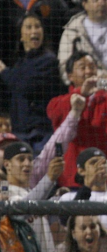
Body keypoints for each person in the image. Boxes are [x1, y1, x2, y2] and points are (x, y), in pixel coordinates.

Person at [47, 51, 107, 188]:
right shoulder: (60, 101)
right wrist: (81, 93)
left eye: (92, 67)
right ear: (70, 76)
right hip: (73, 181)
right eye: (82, 67)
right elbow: (55, 114)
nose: (89, 71)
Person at [0, 14, 65, 152]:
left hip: (41, 132)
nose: (34, 31)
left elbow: (24, 86)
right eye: (29, 27)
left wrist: (5, 72)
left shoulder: (49, 60)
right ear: (21, 36)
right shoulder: (19, 62)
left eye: (37, 26)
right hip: (20, 130)